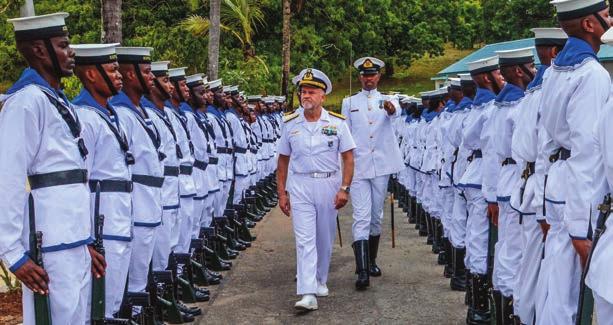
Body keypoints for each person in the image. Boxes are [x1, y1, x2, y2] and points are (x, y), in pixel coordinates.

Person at [0, 12, 99, 325]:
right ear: (39, 50)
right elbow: (8, 177)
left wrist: (86, 241)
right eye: (64, 45)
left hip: (73, 240)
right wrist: (12, 252)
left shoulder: (56, 100)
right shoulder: (27, 101)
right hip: (51, 245)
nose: (71, 53)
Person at [537, 0, 611, 324]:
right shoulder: (591, 75)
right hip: (581, 195)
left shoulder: (555, 70)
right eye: (606, 14)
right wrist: (582, 227)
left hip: (557, 184)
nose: (611, 18)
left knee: (555, 284)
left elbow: (546, 139)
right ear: (589, 25)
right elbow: (588, 153)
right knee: (572, 299)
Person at [277, 68, 355, 311]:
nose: (306, 96)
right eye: (303, 92)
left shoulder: (337, 123)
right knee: (304, 240)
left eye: (311, 92)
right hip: (299, 185)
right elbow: (282, 160)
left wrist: (344, 188)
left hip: (328, 184)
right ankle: (307, 291)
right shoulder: (290, 124)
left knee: (324, 237)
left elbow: (349, 157)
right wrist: (282, 192)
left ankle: (320, 279)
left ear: (323, 96)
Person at [510, 28, 567, 325]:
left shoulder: (534, 90)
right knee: (548, 275)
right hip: (545, 188)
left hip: (532, 187)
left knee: (530, 266)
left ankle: (521, 316)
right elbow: (545, 150)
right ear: (557, 52)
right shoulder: (546, 89)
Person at [71, 43, 132, 319]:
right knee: (95, 306)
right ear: (92, 75)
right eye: (112, 69)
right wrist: (86, 237)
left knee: (114, 298)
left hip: (117, 217)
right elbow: (81, 179)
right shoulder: (84, 116)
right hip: (101, 225)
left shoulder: (110, 113)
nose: (119, 75)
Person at [341, 57, 403, 290]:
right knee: (361, 215)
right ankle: (362, 270)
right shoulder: (349, 102)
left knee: (376, 218)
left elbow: (395, 111)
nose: (369, 79)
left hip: (381, 167)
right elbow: (344, 133)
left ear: (378, 76)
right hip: (358, 166)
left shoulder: (388, 100)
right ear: (360, 77)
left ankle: (372, 260)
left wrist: (391, 108)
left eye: (373, 75)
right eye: (365, 75)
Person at [487, 47, 536, 322]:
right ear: (519, 71)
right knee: (516, 257)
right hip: (517, 181)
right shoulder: (517, 105)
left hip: (507, 184)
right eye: (531, 65)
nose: (535, 69)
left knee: (507, 251)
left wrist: (491, 195)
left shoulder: (501, 104)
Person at [458, 55, 505, 324]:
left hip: (481, 177)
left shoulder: (482, 108)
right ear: (487, 78)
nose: (503, 77)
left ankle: (478, 305)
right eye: (498, 73)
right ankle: (479, 307)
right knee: (482, 242)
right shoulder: (489, 108)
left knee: (480, 240)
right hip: (485, 179)